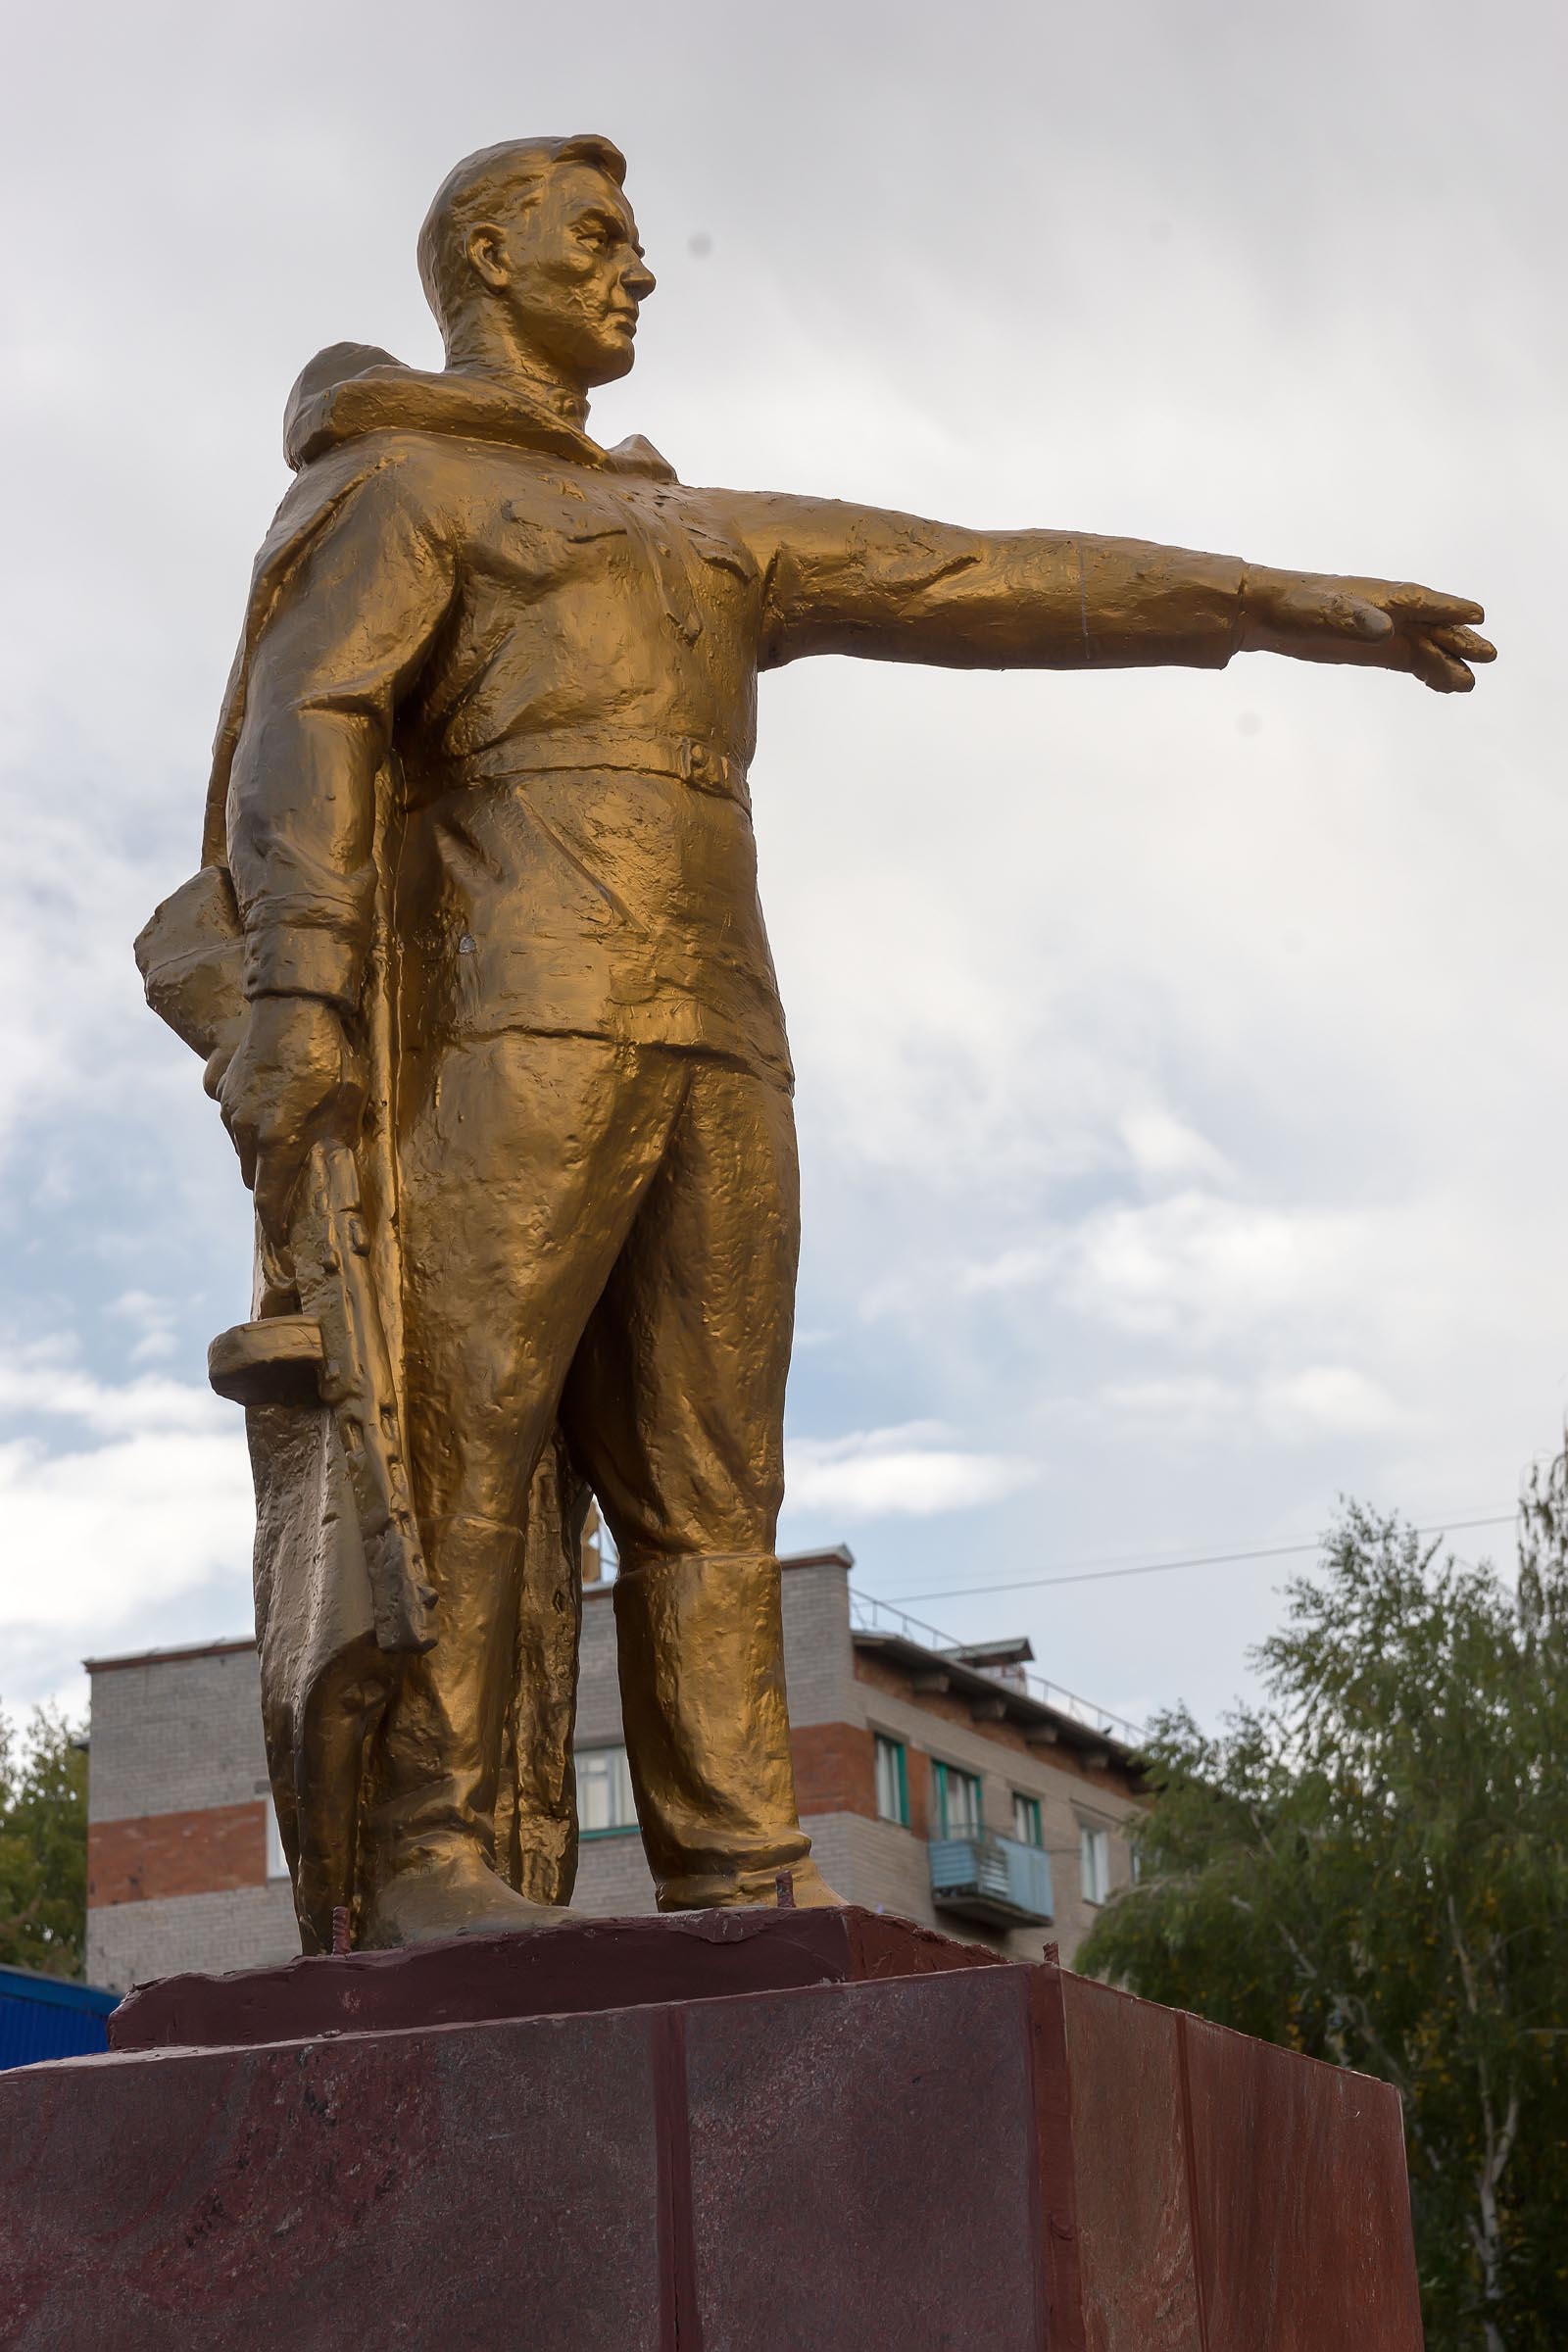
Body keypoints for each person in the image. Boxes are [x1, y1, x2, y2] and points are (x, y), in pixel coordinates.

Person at [201, 134, 1492, 1948]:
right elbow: (308, 726)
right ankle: (429, 1856)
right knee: (459, 1434)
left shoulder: (698, 528)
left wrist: (1281, 605)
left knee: (714, 1479)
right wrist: (300, 1001)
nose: (640, 270)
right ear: (488, 255)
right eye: (601, 237)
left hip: (720, 1031)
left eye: (641, 241)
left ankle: (743, 1868)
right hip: (513, 1010)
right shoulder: (407, 487)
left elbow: (981, 575)